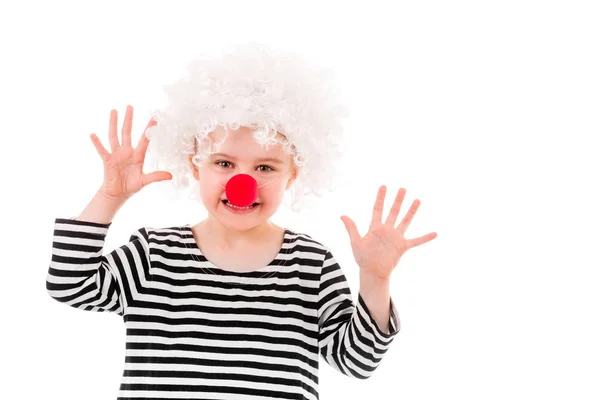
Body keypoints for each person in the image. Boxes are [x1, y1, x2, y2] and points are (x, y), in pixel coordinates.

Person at [46, 43, 405, 400]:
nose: (242, 184)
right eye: (224, 163)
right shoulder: (154, 255)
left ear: (292, 176)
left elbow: (356, 362)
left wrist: (375, 279)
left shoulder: (310, 265)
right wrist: (110, 198)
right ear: (194, 165)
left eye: (264, 167)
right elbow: (69, 284)